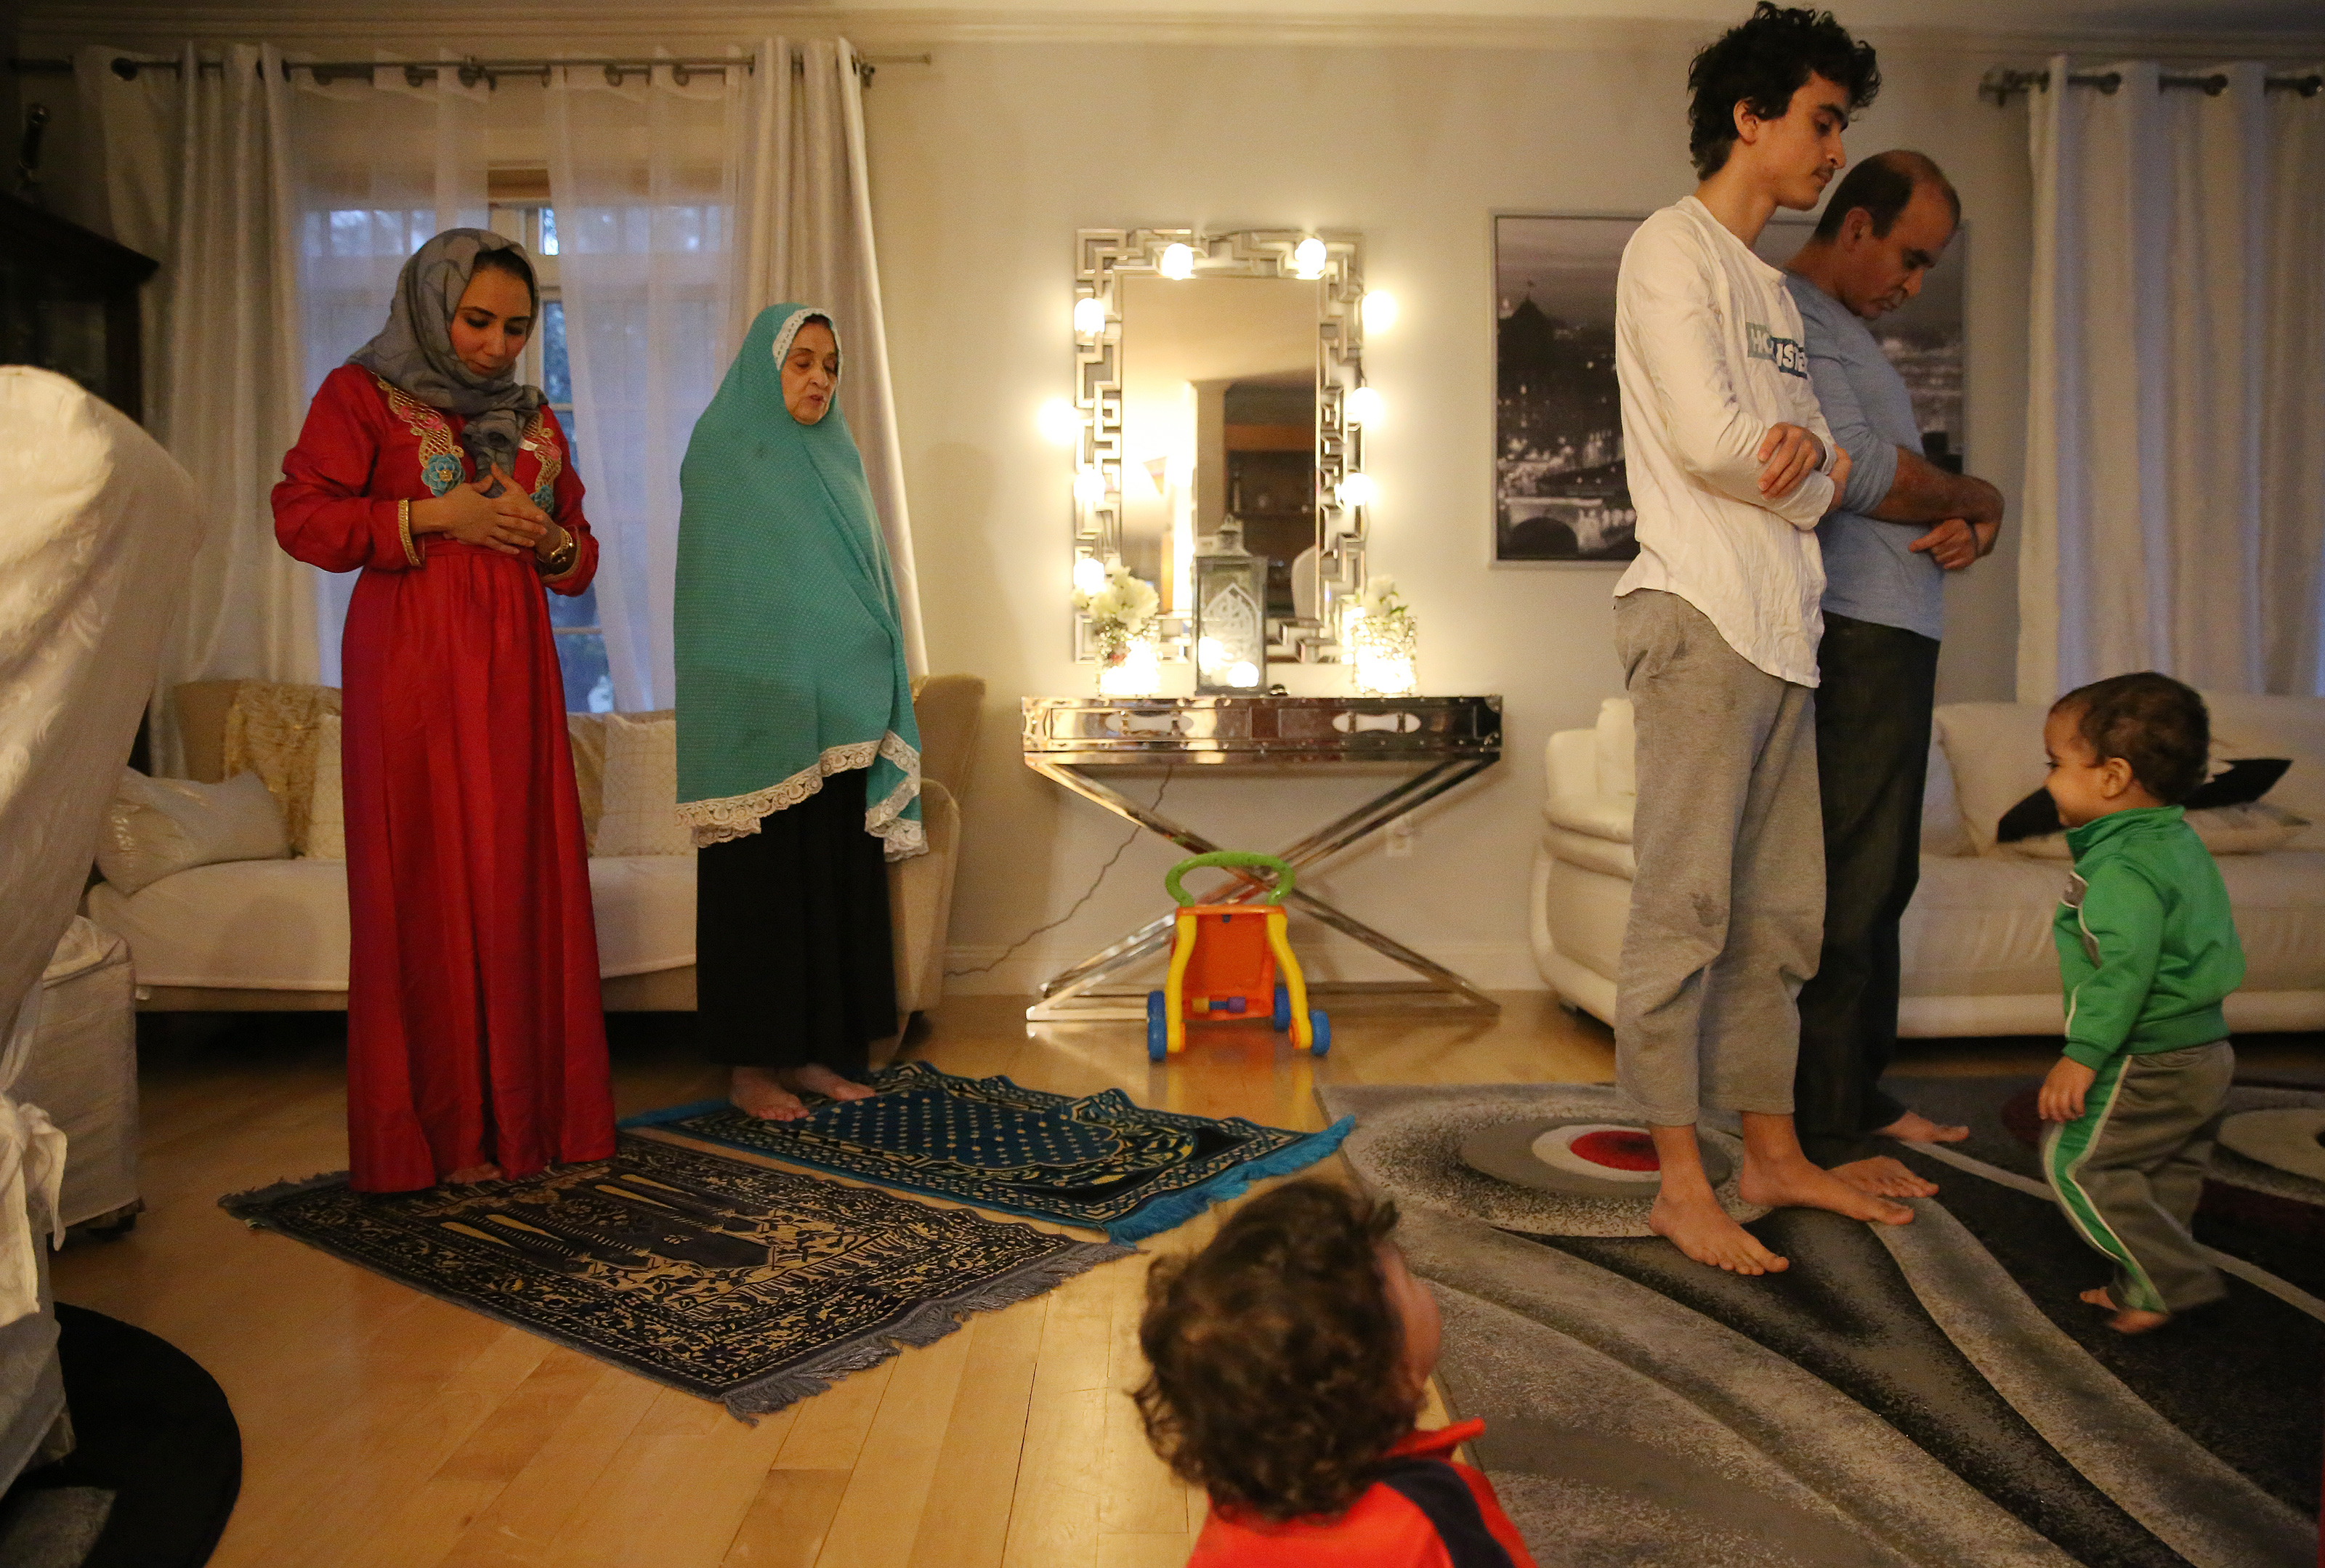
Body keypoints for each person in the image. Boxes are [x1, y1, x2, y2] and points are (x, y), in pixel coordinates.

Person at [1610, 3, 1911, 1277]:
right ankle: (1683, 1179)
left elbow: (1822, 469)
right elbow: (1719, 446)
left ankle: (1773, 1151)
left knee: (1784, 916)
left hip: (1789, 628)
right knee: (1686, 910)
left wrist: (1794, 470)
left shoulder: (1774, 292)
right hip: (1699, 610)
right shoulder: (1667, 253)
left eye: (1841, 124)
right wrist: (1791, 470)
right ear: (1752, 117)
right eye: (1824, 119)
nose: (1836, 148)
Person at [273, 230, 615, 1193]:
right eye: (477, 321)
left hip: (516, 669)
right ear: (433, 306)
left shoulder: (535, 416)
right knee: (423, 873)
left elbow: (581, 555)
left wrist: (547, 534)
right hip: (411, 667)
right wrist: (433, 516)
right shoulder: (362, 394)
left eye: (516, 326)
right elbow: (301, 514)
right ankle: (438, 1134)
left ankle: (532, 1122)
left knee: (518, 870)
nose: (496, 344)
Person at [1779, 151, 2007, 1197]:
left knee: (1885, 878)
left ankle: (1857, 1092)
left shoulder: (1851, 333)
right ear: (1858, 225)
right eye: (1910, 257)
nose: (1914, 282)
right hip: (1859, 631)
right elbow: (1858, 468)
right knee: (1852, 883)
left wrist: (1962, 522)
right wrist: (1980, 492)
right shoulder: (1802, 317)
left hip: (1894, 628)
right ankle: (1824, 1127)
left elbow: (1895, 489)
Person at [675, 305, 925, 1123]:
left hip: (841, 711)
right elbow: (724, 591)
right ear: (764, 367)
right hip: (755, 711)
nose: (819, 378)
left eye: (830, 364)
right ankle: (752, 1069)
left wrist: (864, 659)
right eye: (801, 362)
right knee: (761, 892)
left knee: (834, 884)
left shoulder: (838, 456)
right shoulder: (722, 451)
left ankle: (820, 1053)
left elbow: (865, 581)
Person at [1135, 1181, 1537, 1568]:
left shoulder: (1235, 1511)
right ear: (1396, 1377)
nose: (1425, 1290)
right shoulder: (1436, 1514)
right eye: (1411, 1282)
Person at [2034, 673, 2244, 1335]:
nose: (2046, 781)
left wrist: (2083, 1054)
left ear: (2111, 776)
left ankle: (2169, 1280)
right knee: (2163, 1173)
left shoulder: (2120, 868)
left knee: (2075, 1162)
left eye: (2056, 764)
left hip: (2147, 1055)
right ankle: (2143, 1288)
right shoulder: (2176, 841)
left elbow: (2125, 970)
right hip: (2208, 1050)